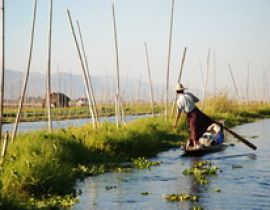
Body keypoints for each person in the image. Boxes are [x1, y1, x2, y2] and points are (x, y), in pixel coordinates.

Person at [173, 83, 214, 149]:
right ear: (183, 90)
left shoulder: (178, 101)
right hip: (197, 112)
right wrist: (190, 101)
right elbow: (197, 100)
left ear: (177, 92)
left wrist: (175, 123)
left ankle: (195, 145)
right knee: (204, 123)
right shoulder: (189, 94)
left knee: (193, 129)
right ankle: (194, 142)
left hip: (190, 115)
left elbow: (178, 113)